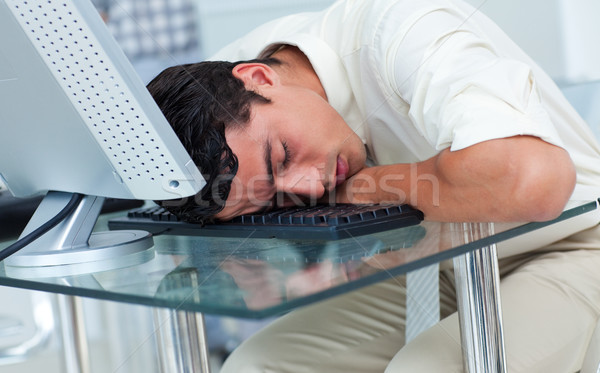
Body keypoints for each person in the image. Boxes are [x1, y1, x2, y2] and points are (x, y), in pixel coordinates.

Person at [146, 0, 600, 371]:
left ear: (260, 77)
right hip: (442, 266)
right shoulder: (207, 98)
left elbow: (533, 181)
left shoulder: (402, 32)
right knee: (253, 367)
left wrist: (361, 189)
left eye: (282, 155)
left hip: (575, 244)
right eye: (274, 196)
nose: (308, 186)